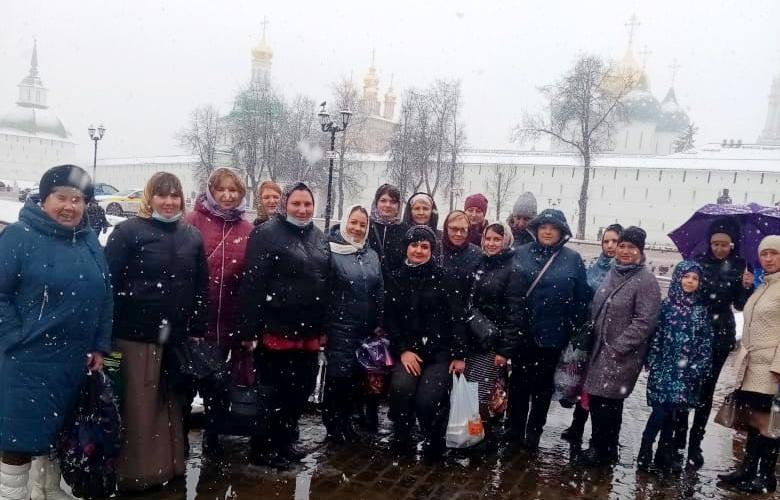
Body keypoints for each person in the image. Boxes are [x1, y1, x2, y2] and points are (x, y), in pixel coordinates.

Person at [0, 165, 111, 500]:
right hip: (27, 361)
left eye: (77, 200)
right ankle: (12, 494)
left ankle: (47, 490)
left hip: (73, 360)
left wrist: (99, 345)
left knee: (60, 431)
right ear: (44, 199)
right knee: (19, 437)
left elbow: (105, 295)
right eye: (61, 198)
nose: (69, 206)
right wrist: (14, 337)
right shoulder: (18, 236)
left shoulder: (88, 240)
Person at [105, 172, 209, 492]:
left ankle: (170, 465)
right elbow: (109, 284)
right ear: (149, 198)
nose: (169, 202)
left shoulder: (191, 236)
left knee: (170, 405)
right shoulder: (128, 233)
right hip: (135, 336)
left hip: (174, 339)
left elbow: (200, 286)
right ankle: (136, 472)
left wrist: (196, 326)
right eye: (162, 195)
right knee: (139, 408)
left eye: (174, 195)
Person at [239, 182, 330, 469]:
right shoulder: (266, 233)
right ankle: (264, 446)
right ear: (285, 205)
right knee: (273, 392)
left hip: (308, 331)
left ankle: (286, 440)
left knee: (301, 388)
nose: (302, 210)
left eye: (307, 204)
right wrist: (249, 330)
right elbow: (253, 283)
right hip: (276, 327)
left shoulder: (318, 237)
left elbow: (325, 282)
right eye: (296, 204)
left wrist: (323, 326)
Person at [508, 209, 591, 451]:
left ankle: (534, 432)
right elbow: (509, 292)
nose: (547, 231)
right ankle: (514, 431)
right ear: (536, 229)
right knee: (518, 385)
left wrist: (570, 327)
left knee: (543, 388)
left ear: (561, 232)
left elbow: (581, 298)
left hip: (553, 336)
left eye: (553, 228)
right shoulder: (520, 253)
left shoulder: (572, 259)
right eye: (543, 226)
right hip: (522, 334)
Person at [578, 227, 661, 466]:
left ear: (640, 250)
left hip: (622, 354)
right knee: (598, 399)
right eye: (622, 246)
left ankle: (602, 449)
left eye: (631, 247)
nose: (625, 251)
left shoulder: (646, 281)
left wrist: (618, 347)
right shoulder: (613, 272)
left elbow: (645, 321)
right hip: (599, 349)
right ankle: (604, 448)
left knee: (608, 401)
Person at [185, 168, 253, 455]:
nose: (227, 195)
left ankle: (213, 437)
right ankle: (180, 441)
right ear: (211, 191)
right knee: (186, 385)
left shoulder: (247, 230)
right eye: (221, 189)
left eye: (233, 190)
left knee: (219, 386)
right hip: (195, 323)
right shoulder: (193, 221)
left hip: (228, 322)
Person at [675, 218, 754, 468]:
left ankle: (695, 443)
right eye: (715, 243)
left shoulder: (741, 266)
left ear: (732, 244)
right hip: (695, 331)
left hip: (721, 333)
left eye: (724, 244)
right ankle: (679, 438)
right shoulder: (698, 263)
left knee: (706, 391)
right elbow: (686, 293)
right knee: (686, 385)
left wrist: (747, 287)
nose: (719, 248)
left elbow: (740, 305)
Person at [385, 225, 466, 460]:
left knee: (428, 400)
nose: (418, 251)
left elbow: (457, 317)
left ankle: (434, 436)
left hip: (439, 352)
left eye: (424, 246)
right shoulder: (396, 278)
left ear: (432, 250)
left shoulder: (444, 277)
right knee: (401, 389)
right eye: (414, 245)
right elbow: (390, 319)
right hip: (409, 350)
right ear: (406, 247)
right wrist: (403, 350)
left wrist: (459, 354)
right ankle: (402, 432)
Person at [717, 235, 780, 494]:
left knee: (768, 422)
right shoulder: (764, 284)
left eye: (774, 253)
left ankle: (765, 476)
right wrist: (746, 286)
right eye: (764, 254)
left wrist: (779, 366)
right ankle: (748, 469)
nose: (768, 258)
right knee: (754, 419)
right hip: (752, 365)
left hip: (770, 367)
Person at [638, 261, 713, 473]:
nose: (689, 281)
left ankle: (664, 453)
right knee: (660, 410)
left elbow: (705, 341)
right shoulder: (666, 306)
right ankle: (646, 448)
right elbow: (656, 335)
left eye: (695, 278)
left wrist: (698, 367)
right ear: (678, 278)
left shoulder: (700, 311)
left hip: (686, 371)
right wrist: (652, 359)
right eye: (686, 277)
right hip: (664, 367)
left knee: (673, 412)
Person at [322, 205, 384, 443]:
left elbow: (379, 290)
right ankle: (333, 424)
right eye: (353, 222)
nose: (357, 228)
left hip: (364, 329)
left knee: (355, 379)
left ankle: (347, 423)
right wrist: (323, 327)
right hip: (339, 327)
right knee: (338, 377)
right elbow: (323, 291)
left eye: (362, 224)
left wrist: (378, 321)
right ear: (345, 222)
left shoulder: (371, 255)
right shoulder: (330, 251)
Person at [561, 223, 623, 445]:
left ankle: (606, 437)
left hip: (611, 339)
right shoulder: (595, 268)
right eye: (606, 241)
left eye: (615, 241)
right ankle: (577, 426)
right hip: (589, 335)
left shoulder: (624, 272)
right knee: (584, 383)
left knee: (605, 388)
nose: (610, 246)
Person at [463, 223, 527, 429]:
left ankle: (481, 434)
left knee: (482, 392)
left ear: (506, 241)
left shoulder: (514, 270)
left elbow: (515, 314)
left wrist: (504, 351)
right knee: (469, 389)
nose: (491, 243)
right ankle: (470, 432)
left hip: (492, 343)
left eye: (497, 239)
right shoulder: (480, 263)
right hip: (473, 337)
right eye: (488, 238)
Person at [367, 184, 408, 277]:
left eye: (393, 202)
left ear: (398, 206)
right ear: (376, 202)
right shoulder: (365, 225)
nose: (388, 205)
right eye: (383, 200)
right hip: (367, 281)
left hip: (394, 283)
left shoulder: (405, 230)